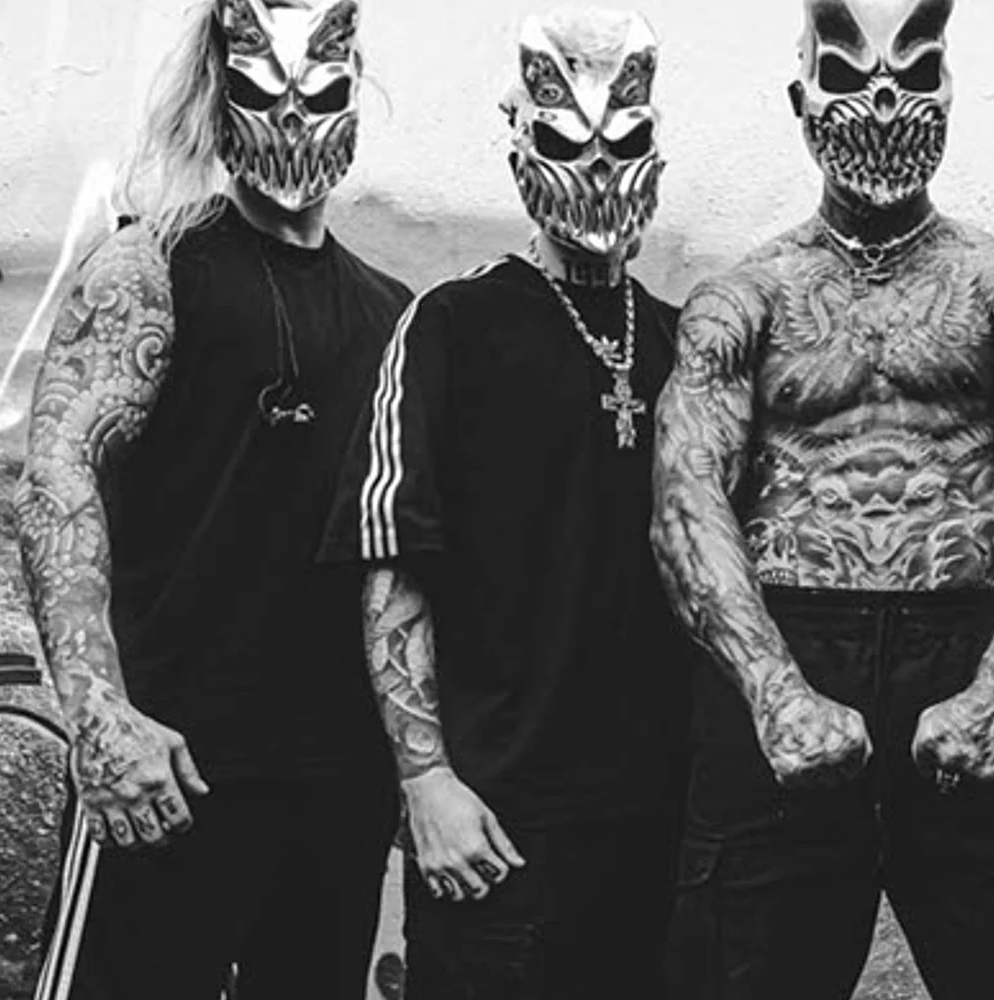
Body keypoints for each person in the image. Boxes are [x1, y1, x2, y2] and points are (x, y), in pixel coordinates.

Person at [650, 1, 994, 996]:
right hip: (788, 637)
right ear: (801, 101)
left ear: (948, 92)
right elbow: (686, 501)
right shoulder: (742, 299)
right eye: (850, 76)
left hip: (972, 637)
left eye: (916, 73)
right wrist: (772, 692)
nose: (885, 100)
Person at [14, 2, 409, 998]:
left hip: (337, 787)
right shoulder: (150, 266)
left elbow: (405, 562)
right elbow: (57, 477)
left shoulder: (394, 314)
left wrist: (421, 763)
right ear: (220, 89)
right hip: (168, 771)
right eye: (266, 82)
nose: (296, 110)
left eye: (322, 83)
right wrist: (100, 713)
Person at [316, 9, 690, 998]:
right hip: (498, 824)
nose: (598, 167)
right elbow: (393, 561)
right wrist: (425, 780)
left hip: (660, 827)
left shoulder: (679, 341)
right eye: (569, 140)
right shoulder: (452, 326)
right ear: (520, 144)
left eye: (624, 142)